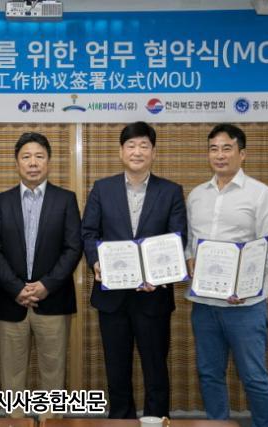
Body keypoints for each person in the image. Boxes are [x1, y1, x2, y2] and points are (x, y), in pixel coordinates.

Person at [81, 121, 187, 419]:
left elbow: (178, 238)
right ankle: (121, 421)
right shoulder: (102, 189)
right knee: (116, 371)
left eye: (144, 145)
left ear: (153, 152)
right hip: (113, 297)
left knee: (156, 371)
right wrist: (96, 262)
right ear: (121, 152)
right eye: (131, 145)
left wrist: (160, 275)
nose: (137, 151)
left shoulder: (171, 191)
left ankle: (156, 421)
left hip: (153, 297)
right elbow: (88, 233)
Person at [185, 123, 268, 427]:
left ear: (242, 154)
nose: (220, 155)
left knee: (254, 377)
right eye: (213, 148)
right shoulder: (196, 195)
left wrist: (244, 284)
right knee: (209, 374)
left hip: (245, 307)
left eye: (227, 148)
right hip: (204, 304)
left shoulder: (261, 194)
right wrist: (189, 261)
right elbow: (190, 243)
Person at [0, 132, 82, 419]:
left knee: (53, 373)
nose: (33, 163)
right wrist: (16, 288)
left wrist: (46, 285)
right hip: (11, 300)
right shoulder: (0, 201)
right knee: (12, 375)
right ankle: (15, 422)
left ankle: (51, 422)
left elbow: (73, 247)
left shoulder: (65, 199)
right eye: (26, 156)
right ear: (16, 162)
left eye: (39, 156)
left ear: (48, 161)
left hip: (53, 300)